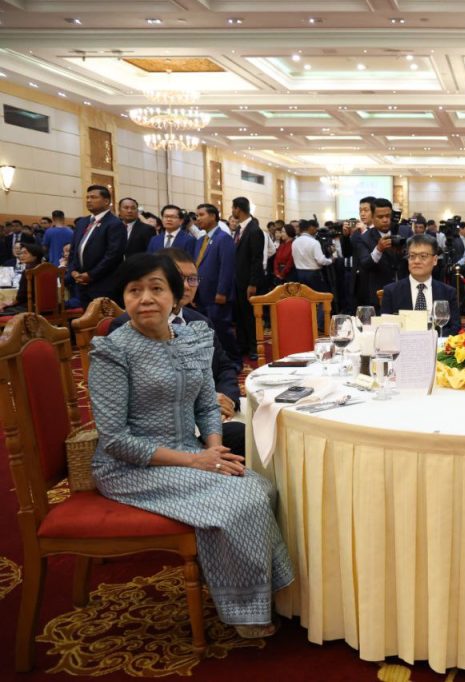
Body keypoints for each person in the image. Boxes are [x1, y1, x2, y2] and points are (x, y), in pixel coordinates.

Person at [90, 253, 293, 638]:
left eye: (156, 288)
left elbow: (205, 404)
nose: (145, 299)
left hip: (193, 452)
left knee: (263, 486)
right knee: (241, 499)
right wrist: (195, 460)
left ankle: (267, 591)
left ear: (175, 295)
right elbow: (115, 439)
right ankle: (244, 609)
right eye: (134, 290)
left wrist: (214, 449)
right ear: (124, 298)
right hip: (133, 466)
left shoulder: (192, 338)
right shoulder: (113, 351)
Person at [108, 248, 244, 456]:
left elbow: (224, 366)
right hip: (156, 437)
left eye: (193, 279)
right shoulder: (125, 329)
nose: (186, 286)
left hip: (209, 417)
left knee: (256, 432)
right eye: (180, 278)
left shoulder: (199, 323)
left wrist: (226, 398)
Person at [380, 235, 460, 336]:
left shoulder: (448, 292)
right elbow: (385, 328)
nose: (416, 261)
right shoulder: (391, 291)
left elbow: (455, 327)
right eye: (412, 256)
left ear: (435, 260)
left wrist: (430, 338)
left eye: (423, 256)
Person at [193, 203, 238, 366]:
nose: (198, 219)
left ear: (213, 216)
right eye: (197, 215)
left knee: (222, 331)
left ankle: (234, 361)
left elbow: (227, 267)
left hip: (217, 295)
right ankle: (215, 364)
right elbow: (195, 267)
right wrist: (193, 291)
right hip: (201, 294)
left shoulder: (223, 238)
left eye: (201, 215)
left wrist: (222, 292)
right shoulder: (201, 240)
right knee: (206, 332)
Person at [68, 184, 127, 306]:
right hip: (82, 284)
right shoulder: (82, 222)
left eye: (93, 197)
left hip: (104, 284)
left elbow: (113, 255)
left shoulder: (114, 224)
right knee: (86, 316)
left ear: (106, 201)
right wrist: (73, 270)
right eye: (87, 197)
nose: (89, 200)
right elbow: (74, 250)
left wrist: (91, 275)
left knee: (104, 317)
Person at [353, 198, 408, 311]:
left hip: (404, 291)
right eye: (380, 217)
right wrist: (378, 249)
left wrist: (403, 252)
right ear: (372, 217)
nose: (385, 220)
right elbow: (365, 263)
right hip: (378, 295)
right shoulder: (364, 238)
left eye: (388, 216)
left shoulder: (404, 231)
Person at [231, 197, 264, 362]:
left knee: (250, 316)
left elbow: (257, 259)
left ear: (238, 209)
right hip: (238, 279)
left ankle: (254, 347)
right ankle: (243, 344)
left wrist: (253, 283)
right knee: (240, 314)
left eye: (233, 208)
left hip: (248, 281)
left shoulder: (254, 230)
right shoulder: (239, 229)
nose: (232, 211)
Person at [0, 243, 45, 314]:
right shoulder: (46, 269)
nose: (21, 256)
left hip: (29, 308)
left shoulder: (29, 271)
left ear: (35, 256)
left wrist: (7, 304)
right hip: (48, 307)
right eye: (21, 253)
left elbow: (21, 297)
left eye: (25, 253)